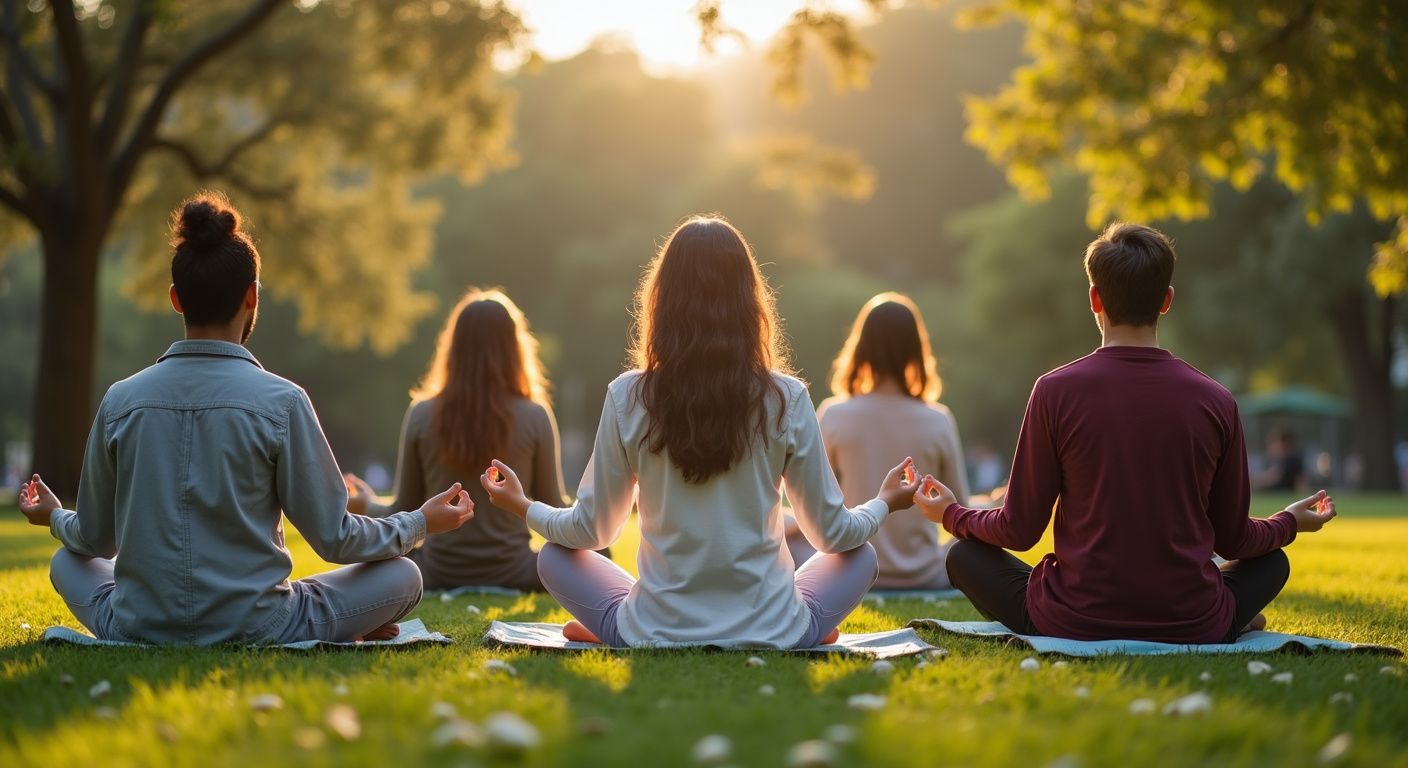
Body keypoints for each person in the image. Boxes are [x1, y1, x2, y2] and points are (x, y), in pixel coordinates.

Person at [15, 191, 473, 645]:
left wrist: (55, 516)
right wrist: (419, 523)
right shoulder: (283, 401)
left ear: (176, 299)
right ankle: (346, 622)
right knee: (404, 576)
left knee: (65, 561)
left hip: (138, 622)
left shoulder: (120, 400)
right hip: (261, 625)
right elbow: (336, 539)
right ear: (252, 296)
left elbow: (94, 541)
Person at [480, 215, 920, 648]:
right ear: (750, 302)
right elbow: (835, 536)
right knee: (859, 555)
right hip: (774, 628)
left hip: (654, 628)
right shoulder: (786, 397)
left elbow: (592, 531)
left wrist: (522, 506)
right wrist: (883, 503)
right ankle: (801, 625)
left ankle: (613, 624)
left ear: (662, 300)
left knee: (556, 555)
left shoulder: (628, 395)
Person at [912, 222, 1337, 643]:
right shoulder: (1217, 400)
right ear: (1166, 300)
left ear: (1094, 298)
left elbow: (1019, 530)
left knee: (964, 556)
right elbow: (1236, 539)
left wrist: (951, 515)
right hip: (1192, 619)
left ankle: (1199, 616)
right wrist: (1288, 522)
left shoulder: (1054, 391)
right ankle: (1227, 618)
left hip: (1073, 619)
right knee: (1273, 562)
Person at [346, 289, 570, 591]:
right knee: (594, 553)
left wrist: (366, 505)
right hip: (517, 572)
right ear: (515, 348)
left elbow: (404, 508)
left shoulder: (421, 413)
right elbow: (555, 510)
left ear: (453, 347)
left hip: (436, 572)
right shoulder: (534, 415)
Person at [786, 293, 969, 590]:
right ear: (917, 350)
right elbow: (960, 509)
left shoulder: (834, 414)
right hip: (926, 574)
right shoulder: (939, 419)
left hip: (852, 570)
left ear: (860, 349)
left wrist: (787, 526)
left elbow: (814, 510)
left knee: (782, 535)